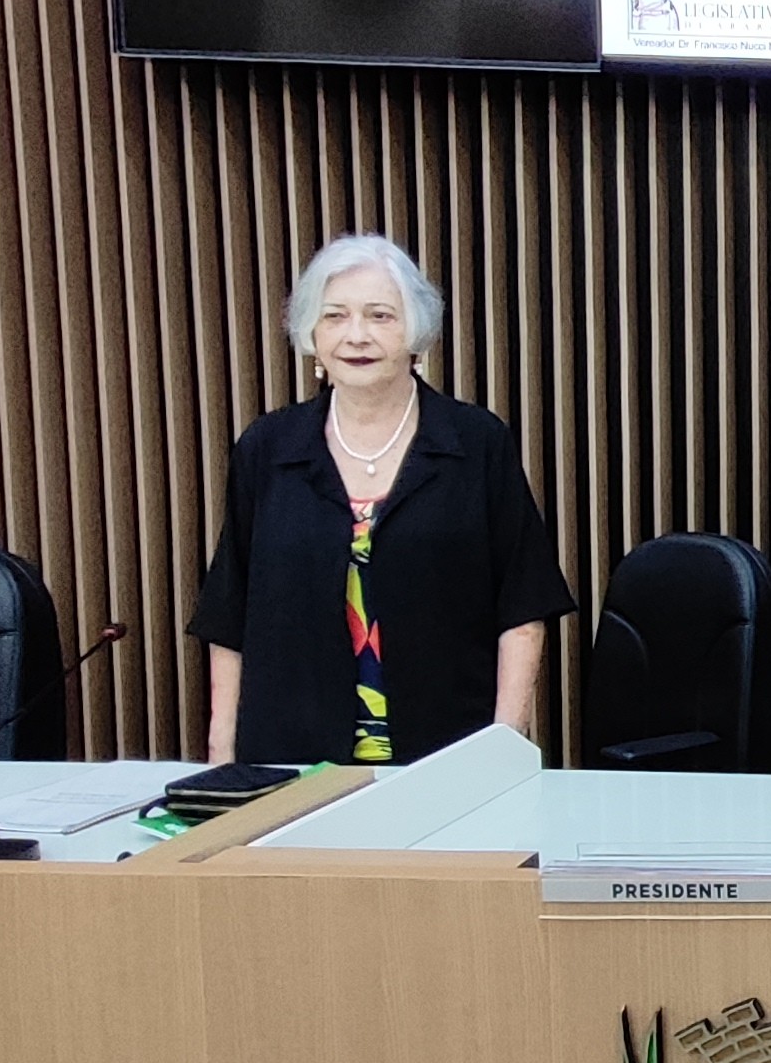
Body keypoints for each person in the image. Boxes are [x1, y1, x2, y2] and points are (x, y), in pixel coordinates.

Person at [193, 234, 575, 766]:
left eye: (380, 316)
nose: (357, 336)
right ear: (311, 333)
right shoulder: (269, 449)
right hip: (290, 758)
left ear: (415, 331)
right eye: (335, 316)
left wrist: (504, 746)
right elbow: (229, 614)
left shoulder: (475, 442)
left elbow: (523, 610)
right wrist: (222, 751)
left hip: (446, 755)